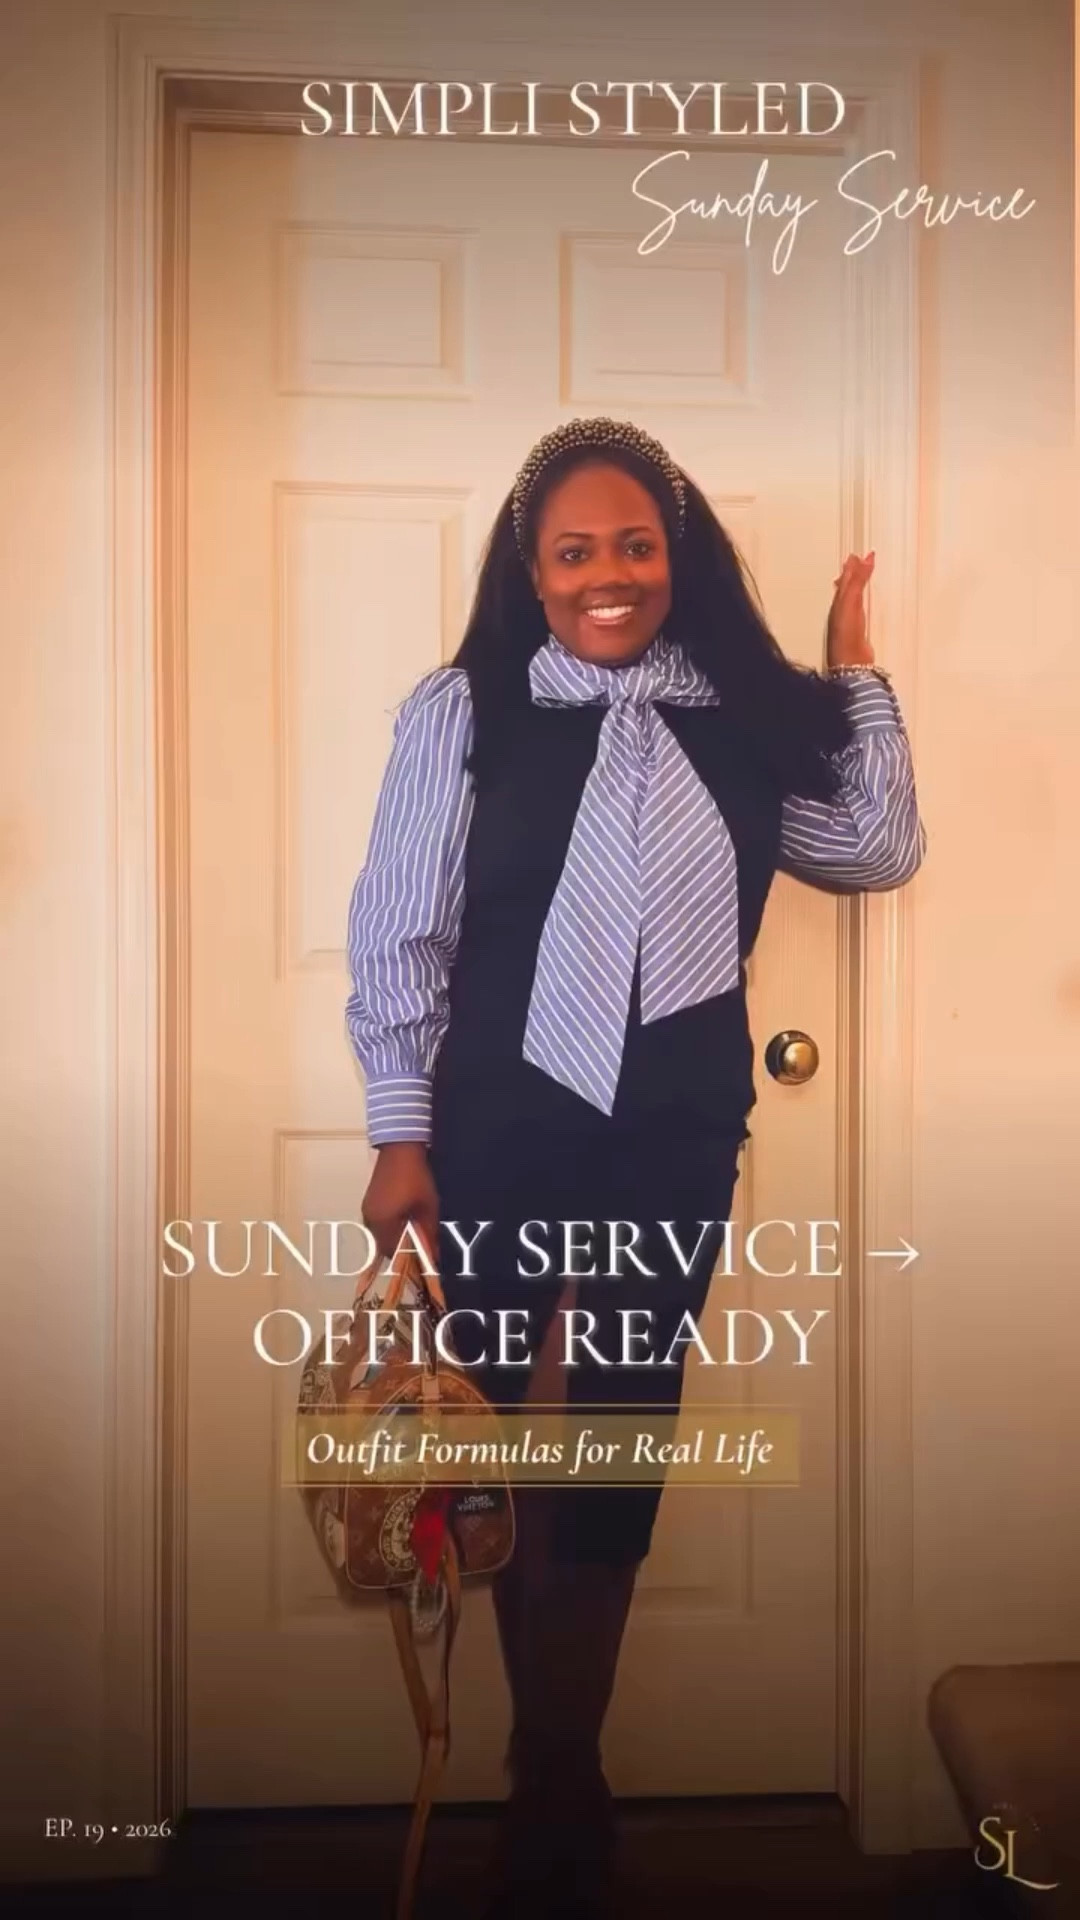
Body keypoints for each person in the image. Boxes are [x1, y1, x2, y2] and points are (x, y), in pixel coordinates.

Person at [345, 417, 926, 1917]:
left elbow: (872, 846)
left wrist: (851, 668)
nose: (609, 576)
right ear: (532, 575)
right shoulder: (463, 712)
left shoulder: (737, 716)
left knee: (613, 1437)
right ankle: (554, 1786)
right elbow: (399, 926)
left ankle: (553, 1773)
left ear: (677, 560)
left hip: (671, 1126)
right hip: (498, 1120)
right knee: (505, 1443)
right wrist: (399, 1130)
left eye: (636, 547)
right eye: (576, 553)